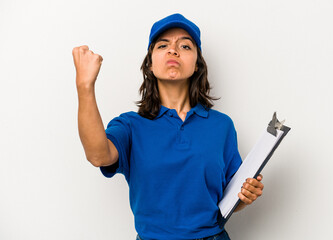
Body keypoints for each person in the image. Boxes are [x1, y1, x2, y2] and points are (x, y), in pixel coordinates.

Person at [72, 13, 264, 240]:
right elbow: (97, 155)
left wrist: (245, 196)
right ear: (151, 65)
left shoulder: (222, 126)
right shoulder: (131, 125)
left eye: (185, 46)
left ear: (196, 66)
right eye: (163, 45)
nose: (173, 50)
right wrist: (85, 86)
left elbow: (229, 200)